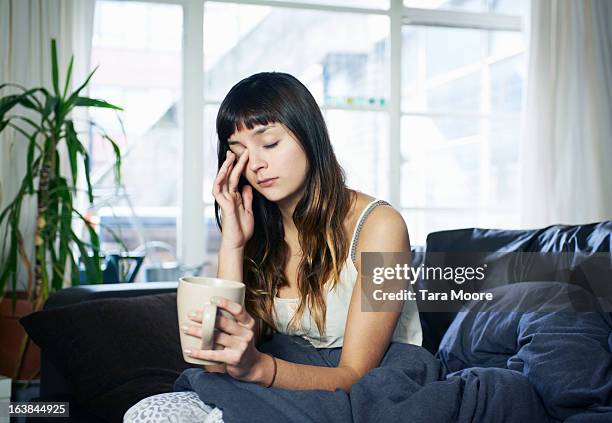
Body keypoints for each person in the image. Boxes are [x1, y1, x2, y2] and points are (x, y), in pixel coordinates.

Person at [124, 72, 422, 422]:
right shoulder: (258, 230)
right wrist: (233, 244)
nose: (256, 164)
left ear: (309, 136)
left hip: (365, 388)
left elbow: (354, 376)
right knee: (149, 414)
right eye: (239, 152)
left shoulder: (382, 227)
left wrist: (257, 368)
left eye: (269, 144)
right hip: (283, 379)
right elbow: (216, 360)